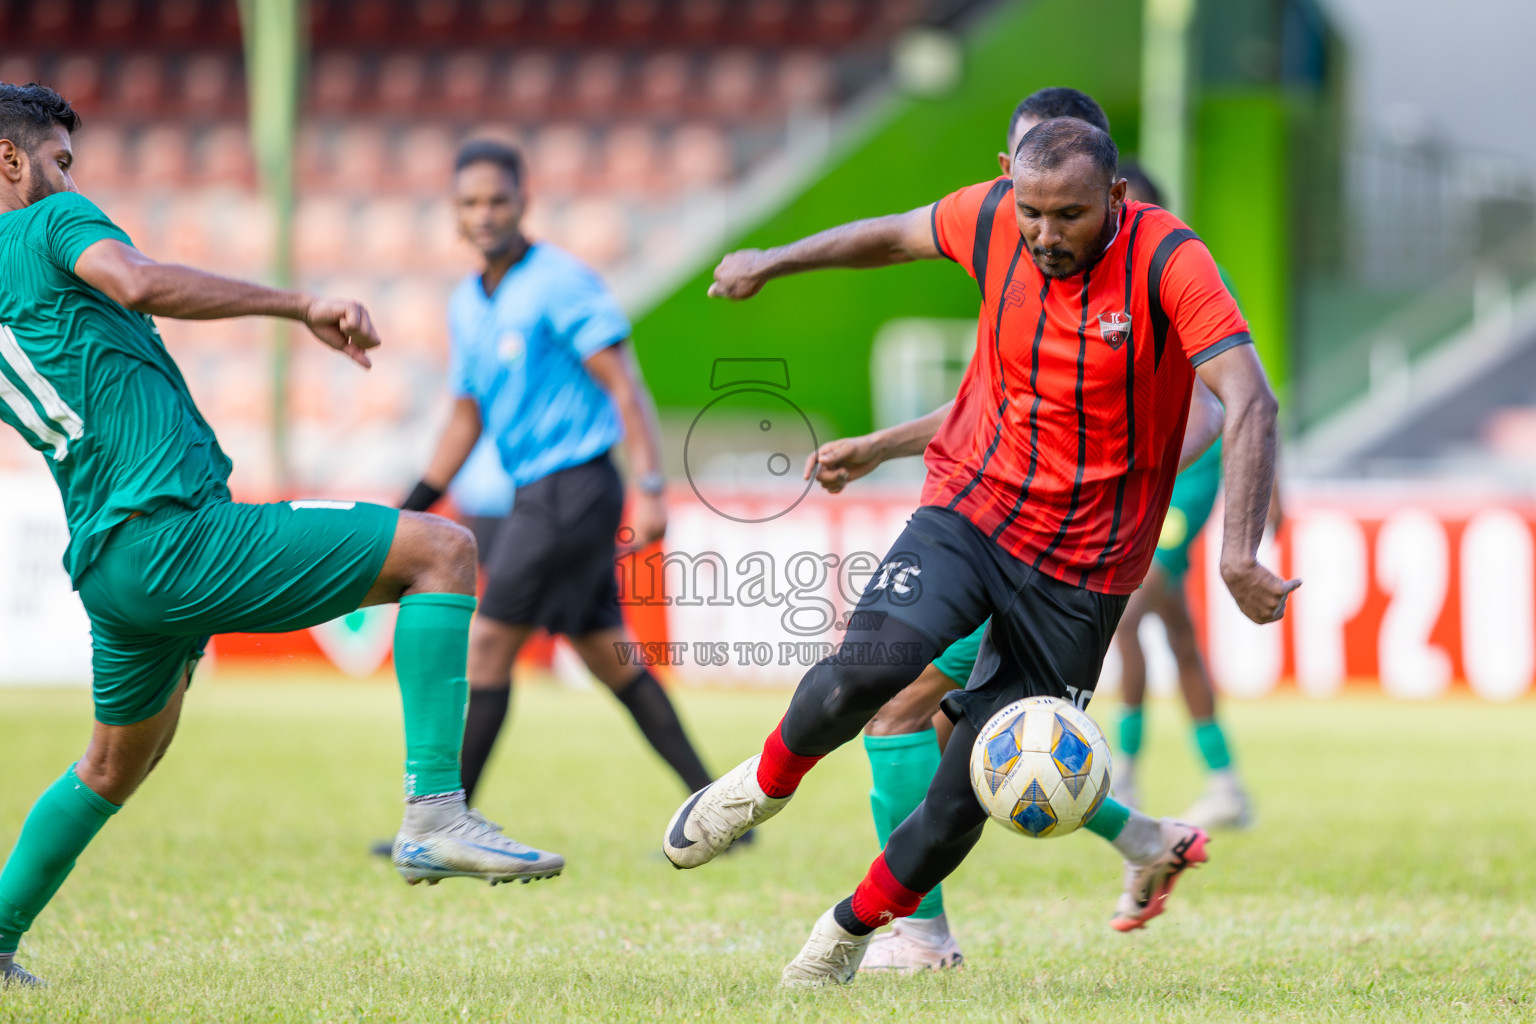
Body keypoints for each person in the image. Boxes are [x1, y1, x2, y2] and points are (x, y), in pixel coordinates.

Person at [663, 115, 1296, 986]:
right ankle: (758, 787)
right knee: (866, 674)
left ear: (1116, 198)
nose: (1045, 235)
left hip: (1084, 572)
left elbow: (1249, 399)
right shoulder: (991, 216)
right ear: (1007, 179)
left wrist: (1238, 552)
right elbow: (887, 237)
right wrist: (776, 260)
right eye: (1032, 211)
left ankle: (849, 934)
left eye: (1069, 215)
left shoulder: (1167, 259)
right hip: (974, 511)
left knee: (969, 790)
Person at [0, 84, 562, 988]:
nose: (71, 179)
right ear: (11, 160)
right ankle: (435, 811)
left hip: (112, 565)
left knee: (107, 767)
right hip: (176, 535)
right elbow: (138, 280)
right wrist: (298, 305)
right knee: (442, 550)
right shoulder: (45, 222)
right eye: (60, 161)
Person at [793, 88, 1229, 975]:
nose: (1027, 218)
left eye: (1054, 204)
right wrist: (882, 445)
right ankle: (1144, 836)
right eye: (1018, 193)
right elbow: (990, 405)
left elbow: (1215, 403)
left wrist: (1127, 476)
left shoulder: (1154, 260)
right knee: (964, 734)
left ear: (1107, 192)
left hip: (1071, 546)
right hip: (997, 522)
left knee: (910, 715)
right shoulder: (1017, 242)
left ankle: (921, 936)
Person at [401, 139, 717, 818]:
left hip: (574, 487)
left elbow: (624, 385)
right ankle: (719, 805)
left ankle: (443, 817)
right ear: (455, 215)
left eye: (497, 200)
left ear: (524, 203)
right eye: (470, 203)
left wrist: (653, 486)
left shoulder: (560, 281)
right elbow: (465, 417)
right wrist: (413, 504)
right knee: (610, 656)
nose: (484, 214)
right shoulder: (466, 302)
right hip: (537, 492)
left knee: (487, 641)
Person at [1109, 160, 1264, 828]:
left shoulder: (1188, 272)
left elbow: (1245, 387)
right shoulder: (1107, 284)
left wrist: (1268, 482)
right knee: (1175, 628)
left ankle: (1123, 773)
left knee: (1128, 607)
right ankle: (1225, 782)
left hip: (1187, 477)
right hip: (1144, 474)